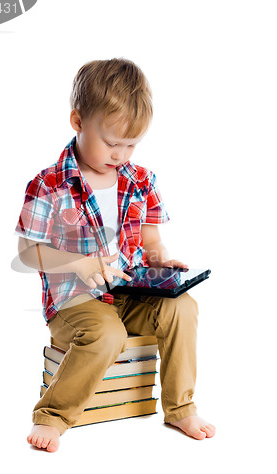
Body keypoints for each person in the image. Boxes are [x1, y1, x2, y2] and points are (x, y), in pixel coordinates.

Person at [15, 58, 216, 453]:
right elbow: (27, 252)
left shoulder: (140, 179)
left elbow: (150, 240)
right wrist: (78, 263)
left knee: (184, 307)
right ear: (78, 121)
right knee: (108, 333)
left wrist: (161, 262)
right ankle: (52, 416)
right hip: (75, 303)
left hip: (128, 294)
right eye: (111, 142)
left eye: (131, 144)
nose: (121, 154)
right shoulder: (48, 184)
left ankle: (180, 408)